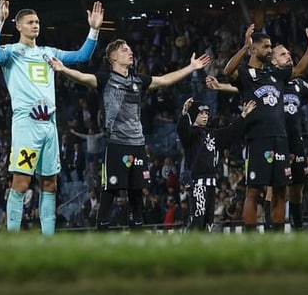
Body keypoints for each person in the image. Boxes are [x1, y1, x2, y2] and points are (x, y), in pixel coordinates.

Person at [50, 39, 210, 230]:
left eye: (130, 49)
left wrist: (191, 67)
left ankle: (137, 237)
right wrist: (63, 69)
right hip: (117, 145)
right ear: (114, 57)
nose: (130, 52)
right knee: (109, 191)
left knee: (137, 193)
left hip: (138, 145)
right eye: (125, 50)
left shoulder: (137, 80)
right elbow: (82, 77)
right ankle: (101, 239)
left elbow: (164, 80)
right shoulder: (105, 79)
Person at [0, 0, 105, 234]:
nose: (35, 25)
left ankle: (48, 239)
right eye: (30, 22)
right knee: (21, 183)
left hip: (49, 126)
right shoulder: (11, 52)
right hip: (26, 126)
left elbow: (81, 56)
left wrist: (93, 31)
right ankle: (13, 239)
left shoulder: (49, 52)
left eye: (37, 21)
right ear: (18, 26)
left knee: (50, 184)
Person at [212, 43, 308, 230]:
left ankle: (296, 226)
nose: (289, 56)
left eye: (289, 53)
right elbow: (243, 88)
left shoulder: (298, 83)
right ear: (273, 60)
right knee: (273, 188)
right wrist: (221, 87)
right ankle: (270, 227)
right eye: (283, 54)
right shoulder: (267, 78)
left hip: (295, 141)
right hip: (272, 139)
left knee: (297, 188)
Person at [221, 21, 308, 232]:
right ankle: (250, 235)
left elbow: (301, 69)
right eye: (266, 46)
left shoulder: (275, 74)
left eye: (270, 46)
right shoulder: (245, 74)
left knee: (279, 190)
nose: (269, 49)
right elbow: (227, 71)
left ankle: (275, 236)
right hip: (258, 138)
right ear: (254, 49)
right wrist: (244, 46)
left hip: (281, 138)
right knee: (253, 191)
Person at [178, 93, 255, 231]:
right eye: (201, 113)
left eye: (207, 113)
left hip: (212, 184)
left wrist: (243, 116)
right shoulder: (191, 135)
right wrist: (184, 114)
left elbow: (231, 132)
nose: (205, 116)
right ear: (194, 115)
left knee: (208, 222)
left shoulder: (213, 134)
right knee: (198, 220)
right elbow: (182, 131)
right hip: (198, 184)